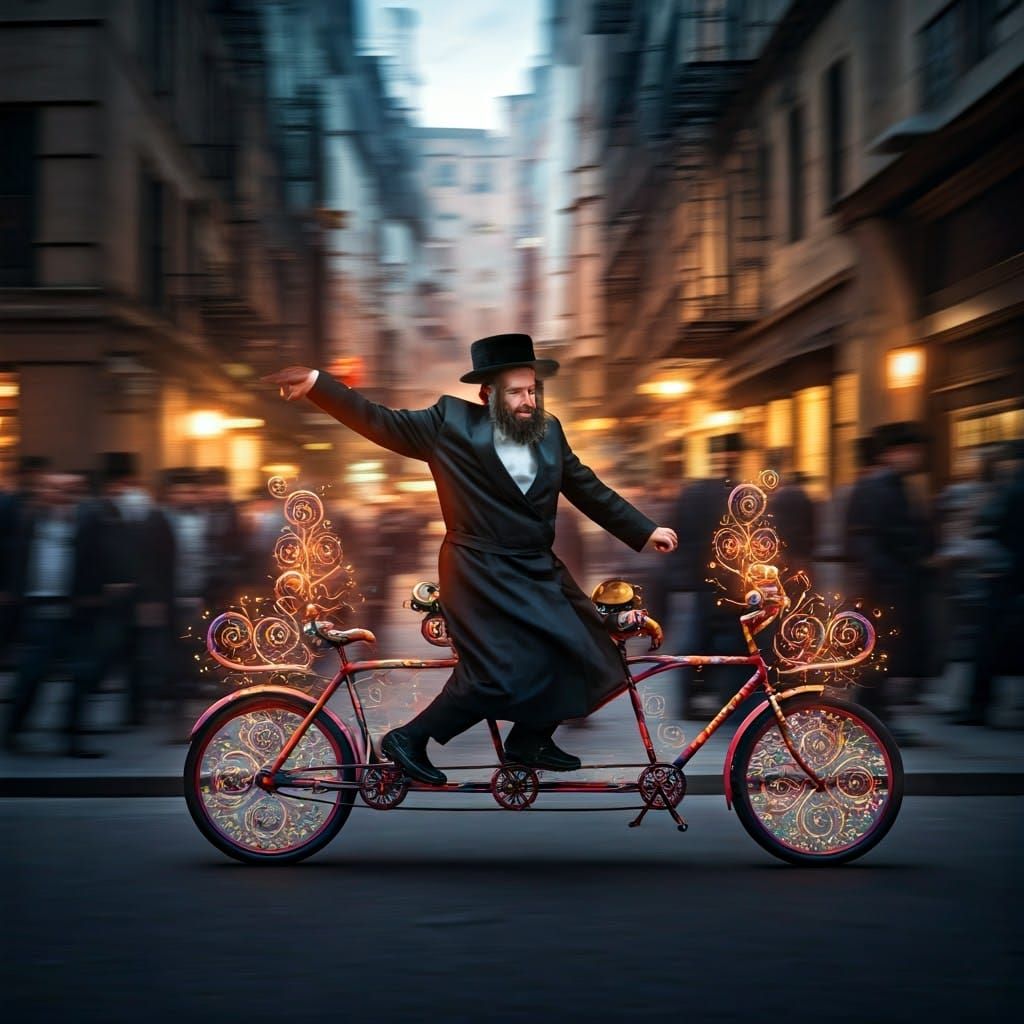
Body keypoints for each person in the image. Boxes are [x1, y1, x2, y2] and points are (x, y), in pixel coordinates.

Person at [264, 333, 678, 785]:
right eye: (517, 392)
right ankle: (409, 739)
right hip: (477, 571)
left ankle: (529, 739)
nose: (528, 400)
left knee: (592, 650)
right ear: (488, 394)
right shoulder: (449, 423)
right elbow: (379, 421)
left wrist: (645, 529)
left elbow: (586, 487)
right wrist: (320, 385)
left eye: (533, 390)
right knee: (496, 675)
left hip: (537, 569)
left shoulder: (551, 430)